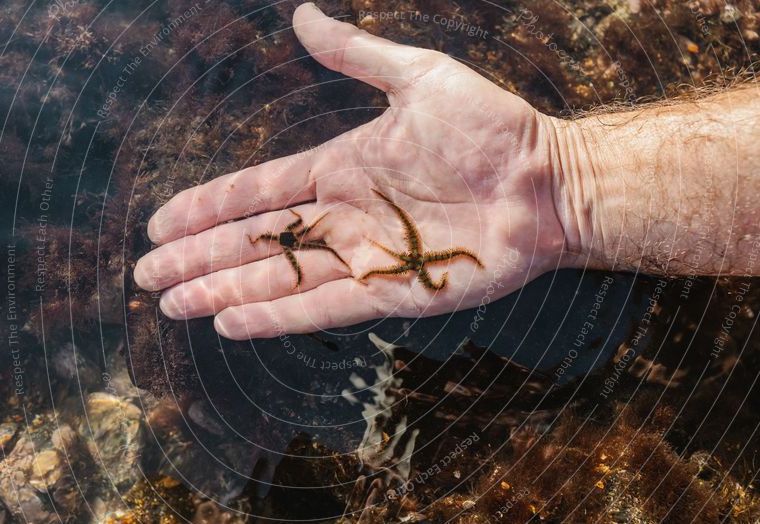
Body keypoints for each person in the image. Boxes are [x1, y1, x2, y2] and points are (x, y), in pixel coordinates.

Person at [133, 3, 760, 341]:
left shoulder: (401, 253)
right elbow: (399, 251)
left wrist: (556, 181)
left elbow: (400, 248)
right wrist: (562, 185)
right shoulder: (401, 255)